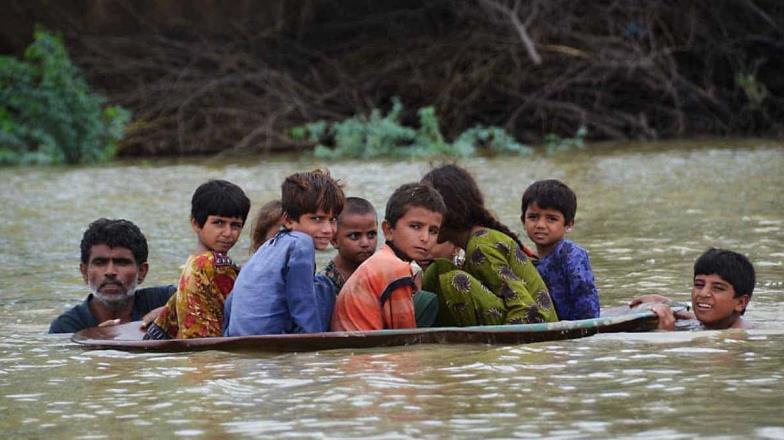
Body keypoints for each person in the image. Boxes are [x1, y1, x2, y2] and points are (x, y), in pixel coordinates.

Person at [421, 164, 559, 326]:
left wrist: (496, 351)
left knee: (454, 280)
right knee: (437, 271)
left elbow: (525, 310)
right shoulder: (474, 244)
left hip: (537, 327)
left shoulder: (481, 246)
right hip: (520, 320)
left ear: (449, 210)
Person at [224, 169, 345, 336]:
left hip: (239, 337)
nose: (327, 229)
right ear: (288, 220)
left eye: (333, 220)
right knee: (324, 285)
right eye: (316, 219)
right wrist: (316, 351)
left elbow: (231, 301)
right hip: (271, 339)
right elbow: (303, 306)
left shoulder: (265, 250)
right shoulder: (302, 243)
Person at [331, 182, 446, 331]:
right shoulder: (395, 268)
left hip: (354, 347)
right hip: (363, 351)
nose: (425, 238)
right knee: (428, 301)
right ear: (388, 230)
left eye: (433, 231)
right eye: (415, 226)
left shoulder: (383, 259)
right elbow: (406, 337)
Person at [144, 180, 250, 340]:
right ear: (195, 223)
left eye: (235, 225)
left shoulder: (192, 263)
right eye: (218, 223)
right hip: (212, 354)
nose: (228, 233)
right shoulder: (213, 264)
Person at [48, 219, 175, 333]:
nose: (110, 272)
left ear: (142, 271)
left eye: (122, 262)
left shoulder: (167, 300)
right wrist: (94, 342)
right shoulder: (65, 328)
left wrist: (175, 315)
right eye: (100, 263)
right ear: (84, 272)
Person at [521, 179, 600, 320]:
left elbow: (588, 306)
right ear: (523, 221)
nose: (540, 225)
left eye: (551, 219)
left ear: (569, 224)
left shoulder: (572, 255)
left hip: (575, 329)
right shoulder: (526, 262)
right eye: (533, 217)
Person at [630, 248, 755, 330]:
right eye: (699, 285)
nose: (703, 293)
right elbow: (695, 319)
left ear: (740, 302)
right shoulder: (717, 323)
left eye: (717, 288)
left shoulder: (737, 340)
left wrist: (666, 335)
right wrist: (666, 304)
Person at [321, 197, 379, 293]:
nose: (365, 243)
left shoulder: (382, 272)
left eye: (371, 234)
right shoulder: (326, 284)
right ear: (334, 240)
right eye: (354, 236)